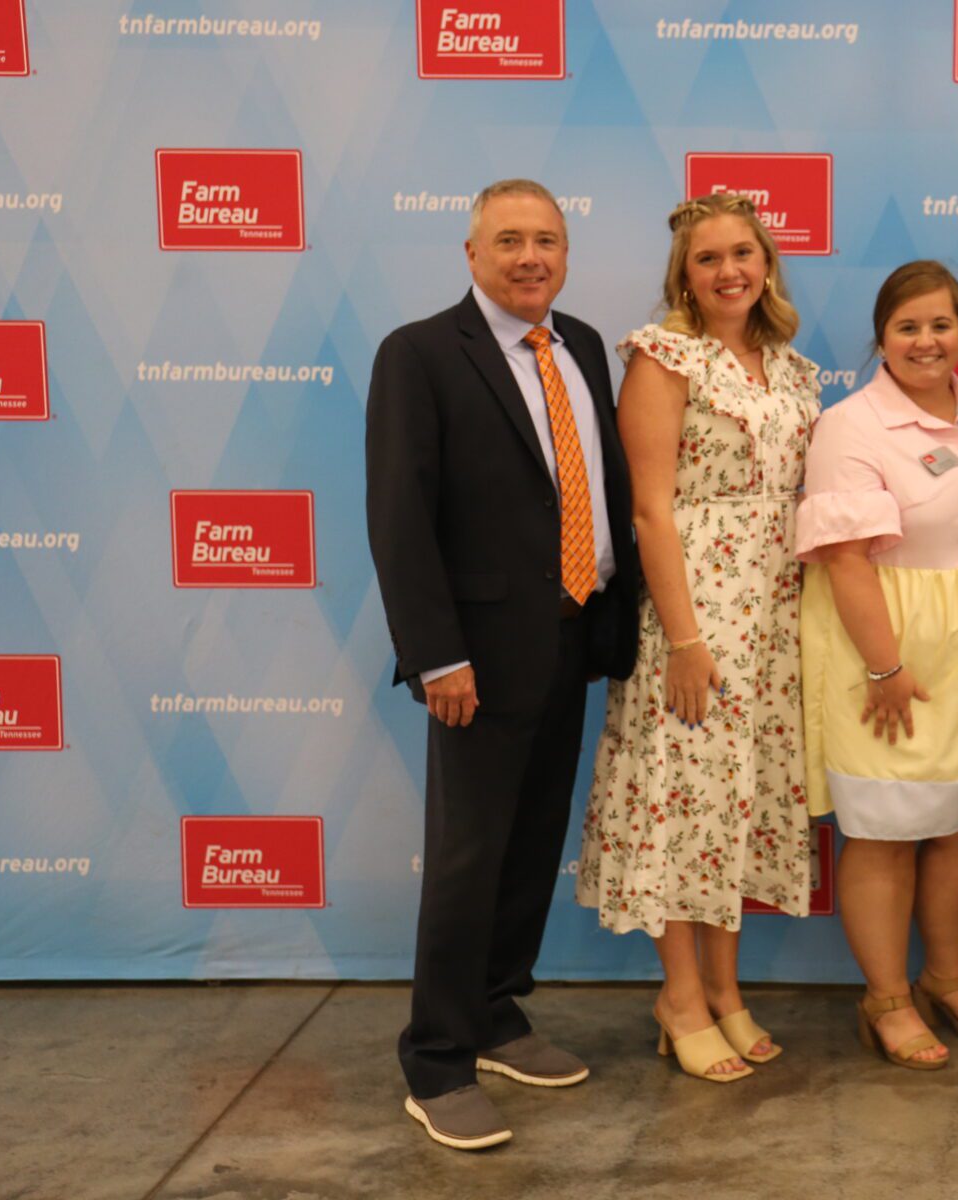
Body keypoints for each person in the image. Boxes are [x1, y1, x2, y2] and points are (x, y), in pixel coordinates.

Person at [367, 178, 642, 1151]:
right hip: (474, 657)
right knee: (467, 855)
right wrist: (436, 653)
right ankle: (436, 1058)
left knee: (530, 842)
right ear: (472, 252)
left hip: (570, 635)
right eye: (511, 240)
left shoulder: (583, 348)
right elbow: (401, 516)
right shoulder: (419, 355)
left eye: (549, 241)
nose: (532, 257)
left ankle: (493, 1010)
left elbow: (592, 485)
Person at [576, 192, 822, 1084]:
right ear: (684, 273)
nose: (729, 271)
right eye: (709, 257)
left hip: (776, 620)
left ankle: (725, 989)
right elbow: (649, 508)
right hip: (697, 617)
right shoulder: (664, 357)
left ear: (767, 265)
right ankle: (677, 997)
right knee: (682, 809)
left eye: (744, 254)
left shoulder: (794, 371)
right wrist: (683, 640)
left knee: (735, 809)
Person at [796, 261, 958, 1071]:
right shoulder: (852, 426)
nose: (926, 341)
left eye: (940, 325)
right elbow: (845, 559)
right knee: (885, 831)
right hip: (889, 652)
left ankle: (946, 978)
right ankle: (886, 998)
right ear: (882, 339)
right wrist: (883, 668)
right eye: (907, 327)